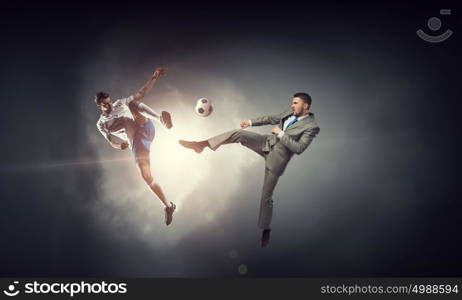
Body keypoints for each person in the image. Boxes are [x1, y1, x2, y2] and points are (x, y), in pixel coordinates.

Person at [179, 93, 320, 246]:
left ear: (305, 106)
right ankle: (201, 145)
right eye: (292, 103)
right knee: (239, 134)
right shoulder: (291, 111)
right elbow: (272, 118)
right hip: (266, 142)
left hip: (276, 158)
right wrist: (250, 122)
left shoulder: (312, 127)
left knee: (266, 195)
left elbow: (298, 148)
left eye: (296, 103)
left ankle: (266, 229)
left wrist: (281, 134)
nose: (292, 106)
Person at [95, 67, 177, 225]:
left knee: (132, 103)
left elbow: (141, 93)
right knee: (147, 177)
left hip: (144, 128)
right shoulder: (101, 124)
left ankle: (162, 120)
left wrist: (154, 77)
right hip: (137, 144)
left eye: (109, 102)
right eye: (105, 105)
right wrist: (120, 146)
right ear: (100, 106)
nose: (110, 106)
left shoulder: (120, 103)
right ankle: (168, 206)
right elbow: (111, 141)